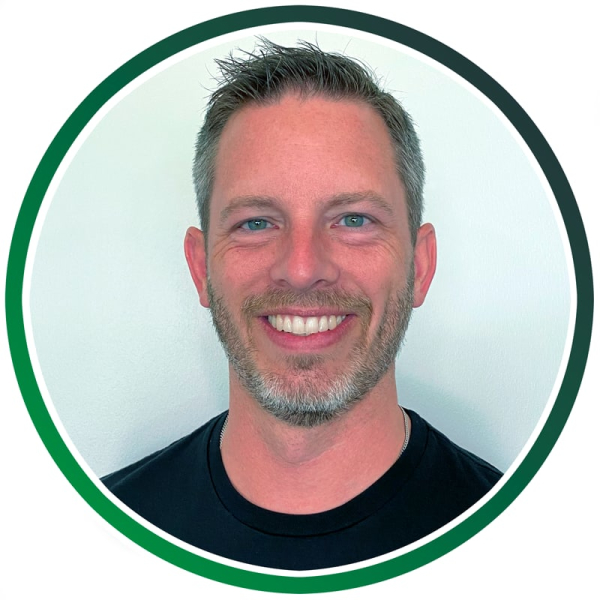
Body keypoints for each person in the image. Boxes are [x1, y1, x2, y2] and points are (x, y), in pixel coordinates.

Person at [102, 39, 502, 570]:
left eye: (354, 219)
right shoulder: (98, 537)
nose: (302, 267)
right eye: (256, 223)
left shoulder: (522, 541)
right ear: (201, 269)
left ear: (420, 266)